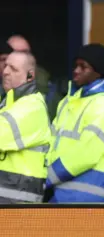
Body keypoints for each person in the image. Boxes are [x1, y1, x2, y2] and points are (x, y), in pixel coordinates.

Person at [47, 44, 104, 203]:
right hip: (60, 191)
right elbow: (52, 142)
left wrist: (46, 178)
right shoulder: (68, 101)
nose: (76, 70)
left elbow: (86, 153)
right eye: (76, 65)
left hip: (85, 197)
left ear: (98, 72)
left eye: (84, 67)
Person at [0, 51, 50, 203]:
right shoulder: (9, 103)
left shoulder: (33, 106)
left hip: (18, 201)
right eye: (6, 66)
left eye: (13, 69)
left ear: (30, 76)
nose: (5, 71)